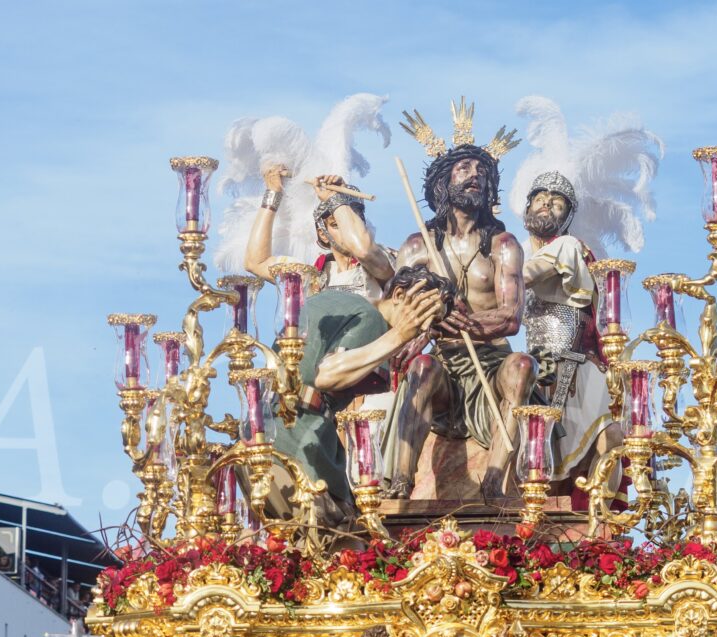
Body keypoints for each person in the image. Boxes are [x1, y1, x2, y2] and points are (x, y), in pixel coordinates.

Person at [384, 135, 536, 498]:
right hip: (445, 362)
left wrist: (460, 320)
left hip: (492, 361)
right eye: (464, 168)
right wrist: (430, 323)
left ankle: (495, 482)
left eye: (482, 171)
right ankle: (401, 484)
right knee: (421, 369)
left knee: (523, 366)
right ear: (443, 183)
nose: (475, 176)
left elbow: (510, 317)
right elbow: (395, 311)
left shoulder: (504, 245)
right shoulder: (418, 245)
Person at [259, 265, 454, 528]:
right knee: (341, 541)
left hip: (264, 438)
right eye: (422, 315)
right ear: (397, 294)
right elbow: (325, 375)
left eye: (432, 323)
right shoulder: (370, 317)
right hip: (295, 445)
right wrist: (399, 335)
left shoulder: (342, 304)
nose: (422, 329)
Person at [520, 171, 623, 505]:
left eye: (557, 202)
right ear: (527, 206)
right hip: (537, 372)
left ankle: (601, 518)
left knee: (607, 436)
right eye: (540, 199)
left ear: (567, 217)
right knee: (539, 459)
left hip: (576, 368)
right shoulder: (518, 250)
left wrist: (490, 272)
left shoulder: (566, 246)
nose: (547, 205)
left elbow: (526, 276)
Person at [245, 166, 395, 301]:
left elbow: (363, 251)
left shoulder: (384, 260)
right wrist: (273, 192)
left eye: (353, 222)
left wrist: (335, 199)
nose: (345, 230)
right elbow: (255, 262)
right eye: (336, 225)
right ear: (323, 234)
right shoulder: (312, 276)